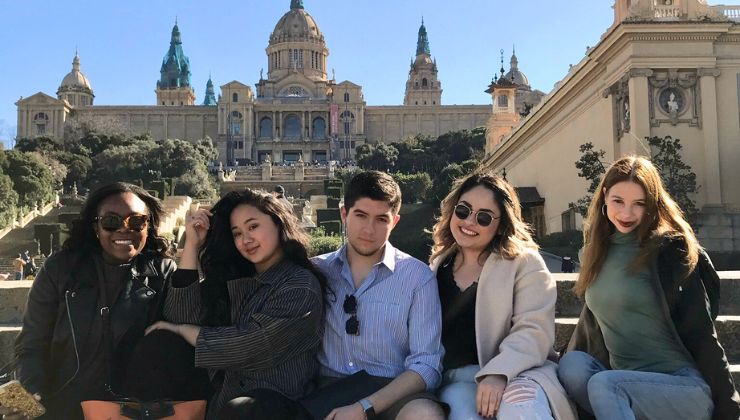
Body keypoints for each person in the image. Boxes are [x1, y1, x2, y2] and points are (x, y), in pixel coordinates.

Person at [558, 156, 740, 419]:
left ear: (652, 205)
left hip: (682, 387)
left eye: (639, 204)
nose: (627, 214)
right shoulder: (593, 253)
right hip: (627, 381)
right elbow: (592, 324)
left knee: (606, 385)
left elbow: (702, 335)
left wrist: (729, 408)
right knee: (572, 366)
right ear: (605, 196)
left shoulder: (669, 252)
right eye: (618, 201)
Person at [14, 182, 209, 419]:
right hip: (65, 404)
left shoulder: (161, 271)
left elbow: (184, 324)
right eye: (111, 221)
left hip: (134, 407)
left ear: (148, 226)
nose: (124, 229)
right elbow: (32, 344)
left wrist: (191, 246)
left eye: (136, 221)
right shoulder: (61, 269)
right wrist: (33, 398)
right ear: (96, 226)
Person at [146, 188, 328, 419]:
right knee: (158, 342)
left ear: (278, 223)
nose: (246, 239)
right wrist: (192, 245)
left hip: (275, 406)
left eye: (253, 227)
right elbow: (179, 315)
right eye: (237, 233)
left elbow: (251, 345)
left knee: (242, 409)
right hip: (226, 401)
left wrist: (184, 330)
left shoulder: (300, 285)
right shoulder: (238, 278)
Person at [429, 171, 576, 420]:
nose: (469, 222)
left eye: (484, 218)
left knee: (521, 411)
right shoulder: (438, 265)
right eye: (463, 210)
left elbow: (533, 330)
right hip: (456, 380)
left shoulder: (524, 263)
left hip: (518, 371)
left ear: (501, 225)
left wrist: (499, 372)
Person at [305, 170, 446, 420]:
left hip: (393, 391)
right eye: (360, 215)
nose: (369, 229)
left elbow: (426, 365)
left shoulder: (417, 277)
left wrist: (364, 407)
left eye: (381, 219)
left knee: (423, 414)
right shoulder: (316, 271)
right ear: (344, 214)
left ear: (395, 222)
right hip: (327, 390)